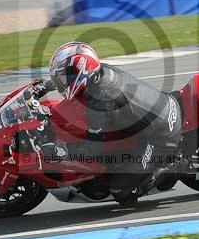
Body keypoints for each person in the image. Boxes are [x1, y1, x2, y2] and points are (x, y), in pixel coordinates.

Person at [29, 42, 182, 203]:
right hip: (157, 110)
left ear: (82, 70)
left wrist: (60, 151)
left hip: (161, 135)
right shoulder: (97, 73)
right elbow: (73, 80)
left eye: (64, 76)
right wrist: (45, 86)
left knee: (121, 192)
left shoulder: (101, 100)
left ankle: (171, 167)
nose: (62, 81)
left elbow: (93, 149)